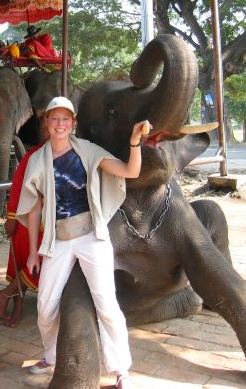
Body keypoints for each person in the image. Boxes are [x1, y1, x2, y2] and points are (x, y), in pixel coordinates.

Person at [16, 96, 148, 389]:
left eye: (66, 119)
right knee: (45, 305)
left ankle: (121, 370)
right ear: (46, 122)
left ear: (72, 123)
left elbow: (131, 172)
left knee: (106, 304)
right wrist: (34, 252)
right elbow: (34, 207)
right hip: (58, 240)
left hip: (91, 236)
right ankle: (50, 356)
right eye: (55, 118)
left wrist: (135, 142)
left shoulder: (87, 151)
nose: (60, 124)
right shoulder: (37, 160)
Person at [0, 115, 49, 327]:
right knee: (28, 262)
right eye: (47, 123)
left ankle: (7, 296)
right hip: (27, 220)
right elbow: (17, 186)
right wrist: (11, 217)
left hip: (51, 221)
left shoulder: (71, 152)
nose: (51, 127)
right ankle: (12, 300)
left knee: (37, 262)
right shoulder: (34, 156)